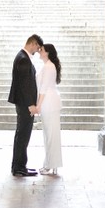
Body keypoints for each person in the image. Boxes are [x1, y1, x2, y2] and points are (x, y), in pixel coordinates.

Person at [7, 34, 43, 177]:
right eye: (37, 47)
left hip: (23, 103)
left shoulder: (22, 57)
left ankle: (19, 166)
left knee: (21, 135)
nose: (37, 51)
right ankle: (19, 167)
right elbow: (24, 86)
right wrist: (31, 105)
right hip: (25, 104)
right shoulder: (23, 59)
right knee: (23, 135)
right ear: (32, 43)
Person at [35, 43, 62, 175]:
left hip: (49, 102)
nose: (39, 51)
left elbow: (44, 88)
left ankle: (51, 164)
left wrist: (38, 105)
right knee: (49, 134)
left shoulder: (49, 67)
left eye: (42, 49)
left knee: (50, 135)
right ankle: (51, 163)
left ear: (47, 53)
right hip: (49, 102)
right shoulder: (48, 66)